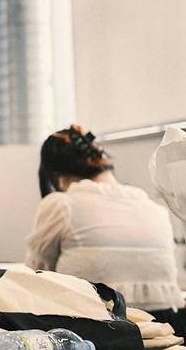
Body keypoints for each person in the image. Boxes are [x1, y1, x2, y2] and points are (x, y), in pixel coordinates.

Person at [26, 125, 182, 320]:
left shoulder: (62, 204)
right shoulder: (156, 210)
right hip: (165, 330)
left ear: (56, 175)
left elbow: (35, 279)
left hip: (96, 330)